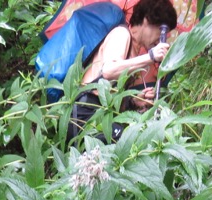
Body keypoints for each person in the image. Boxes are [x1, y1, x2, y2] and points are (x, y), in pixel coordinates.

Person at [67, 0, 178, 143]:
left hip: (102, 116)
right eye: (161, 31)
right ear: (146, 20)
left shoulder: (134, 52)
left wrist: (134, 100)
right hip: (86, 114)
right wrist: (150, 56)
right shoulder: (121, 34)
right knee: (130, 145)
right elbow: (108, 70)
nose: (162, 39)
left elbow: (113, 92)